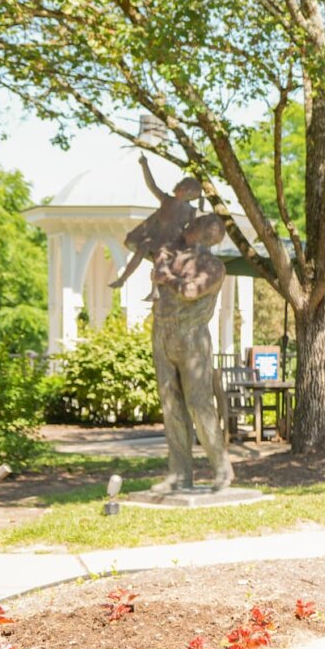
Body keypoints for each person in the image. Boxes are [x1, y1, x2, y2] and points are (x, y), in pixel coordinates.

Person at [148, 213, 235, 494]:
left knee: (199, 404)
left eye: (195, 224)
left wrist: (167, 278)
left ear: (207, 233)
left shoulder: (213, 265)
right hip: (162, 334)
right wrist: (163, 264)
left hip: (192, 337)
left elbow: (190, 290)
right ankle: (179, 474)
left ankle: (222, 469)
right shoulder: (173, 254)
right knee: (170, 405)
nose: (188, 225)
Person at [110, 155, 203, 290]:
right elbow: (151, 185)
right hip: (157, 236)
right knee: (144, 249)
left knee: (160, 259)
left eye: (182, 187)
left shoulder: (190, 211)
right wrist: (144, 165)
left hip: (173, 242)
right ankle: (123, 278)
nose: (178, 187)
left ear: (187, 192)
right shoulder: (167, 200)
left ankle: (155, 290)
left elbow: (192, 232)